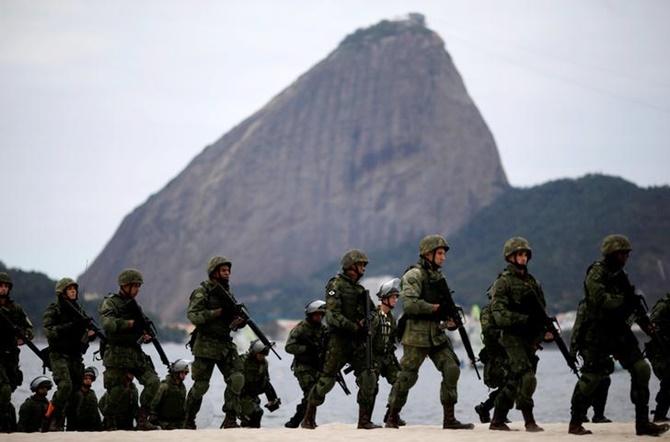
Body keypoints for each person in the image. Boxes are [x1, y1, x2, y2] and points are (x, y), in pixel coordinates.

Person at [568, 234, 669, 436]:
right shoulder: (596, 273)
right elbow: (600, 299)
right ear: (612, 254)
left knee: (641, 369)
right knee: (592, 378)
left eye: (626, 254)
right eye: (622, 254)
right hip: (597, 334)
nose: (625, 258)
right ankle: (575, 421)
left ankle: (642, 423)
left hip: (619, 333)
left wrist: (646, 325)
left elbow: (633, 306)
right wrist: (624, 302)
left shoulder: (621, 276)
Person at [386, 235, 473, 430]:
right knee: (407, 376)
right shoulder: (413, 275)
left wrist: (450, 320)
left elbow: (444, 308)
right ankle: (392, 415)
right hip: (416, 335)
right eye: (440, 253)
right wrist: (435, 309)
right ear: (428, 254)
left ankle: (449, 419)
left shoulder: (439, 278)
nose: (443, 257)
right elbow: (409, 305)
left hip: (437, 333)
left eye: (444, 253)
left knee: (452, 369)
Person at [301, 249, 380, 430]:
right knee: (326, 381)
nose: (363, 269)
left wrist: (369, 322)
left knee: (369, 376)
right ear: (350, 266)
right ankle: (308, 418)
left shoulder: (360, 290)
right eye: (360, 265)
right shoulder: (335, 285)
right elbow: (332, 316)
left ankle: (364, 420)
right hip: (339, 341)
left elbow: (374, 313)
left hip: (358, 342)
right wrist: (354, 326)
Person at [488, 237, 551, 432]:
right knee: (527, 376)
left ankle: (497, 420)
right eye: (519, 254)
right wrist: (524, 320)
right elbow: (499, 315)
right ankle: (529, 420)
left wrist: (543, 333)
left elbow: (541, 311)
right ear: (510, 257)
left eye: (525, 255)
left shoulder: (532, 282)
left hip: (529, 338)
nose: (523, 258)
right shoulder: (503, 282)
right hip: (511, 337)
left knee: (515, 379)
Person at [184, 256, 245, 429]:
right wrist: (217, 312)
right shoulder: (202, 292)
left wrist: (238, 320)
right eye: (223, 270)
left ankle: (230, 419)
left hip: (225, 344)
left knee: (237, 378)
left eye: (228, 270)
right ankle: (188, 419)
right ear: (214, 272)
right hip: (206, 345)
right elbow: (193, 315)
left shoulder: (228, 294)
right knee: (201, 386)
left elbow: (232, 322)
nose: (227, 274)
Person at [98, 268, 160, 431]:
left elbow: (142, 327)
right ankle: (109, 421)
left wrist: (144, 335)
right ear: (125, 286)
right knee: (117, 391)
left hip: (135, 353)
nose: (138, 290)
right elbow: (108, 324)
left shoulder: (134, 306)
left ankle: (142, 419)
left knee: (153, 382)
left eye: (139, 286)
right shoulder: (111, 302)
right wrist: (131, 324)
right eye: (135, 286)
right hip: (117, 354)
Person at [42, 277, 96, 431]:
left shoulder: (79, 311)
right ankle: (50, 418)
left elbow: (83, 336)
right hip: (59, 355)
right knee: (65, 386)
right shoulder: (54, 309)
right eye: (70, 289)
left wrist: (90, 335)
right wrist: (71, 325)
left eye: (74, 289)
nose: (73, 291)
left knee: (76, 393)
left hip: (75, 356)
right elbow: (49, 332)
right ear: (62, 292)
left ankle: (71, 426)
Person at [284, 299, 327, 428]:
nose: (318, 317)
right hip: (303, 367)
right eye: (316, 314)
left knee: (318, 395)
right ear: (310, 315)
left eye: (321, 314)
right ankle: (306, 421)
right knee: (311, 393)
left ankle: (300, 419)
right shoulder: (301, 329)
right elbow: (289, 347)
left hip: (317, 366)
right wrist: (306, 349)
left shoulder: (323, 329)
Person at [0, 271, 33, 433]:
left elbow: (29, 329)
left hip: (11, 356)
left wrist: (23, 337)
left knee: (10, 387)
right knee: (4, 388)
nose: (3, 289)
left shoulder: (15, 308)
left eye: (6, 286)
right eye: (0, 286)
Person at [571, 300, 612, 424]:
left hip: (603, 346)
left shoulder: (609, 303)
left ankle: (598, 415)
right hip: (589, 346)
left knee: (604, 378)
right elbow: (577, 328)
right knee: (590, 379)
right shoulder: (586, 305)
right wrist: (573, 351)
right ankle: (579, 413)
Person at [372, 278, 405, 426]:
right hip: (373, 357)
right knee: (371, 387)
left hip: (388, 357)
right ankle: (365, 420)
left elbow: (395, 338)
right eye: (393, 297)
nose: (395, 300)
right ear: (384, 298)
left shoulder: (391, 318)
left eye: (397, 297)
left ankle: (391, 415)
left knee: (401, 381)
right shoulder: (374, 316)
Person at [474, 292, 508, 424]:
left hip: (509, 351)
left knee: (511, 384)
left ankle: (488, 409)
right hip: (496, 353)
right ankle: (491, 410)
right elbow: (488, 332)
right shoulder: (488, 311)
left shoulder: (506, 310)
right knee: (508, 384)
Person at [239, 340, 281, 428]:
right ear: (254, 353)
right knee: (256, 413)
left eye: (264, 355)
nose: (262, 357)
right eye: (260, 354)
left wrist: (272, 399)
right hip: (240, 396)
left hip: (253, 396)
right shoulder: (243, 361)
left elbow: (265, 382)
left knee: (255, 416)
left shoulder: (264, 364)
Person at [646, 292, 670, 422]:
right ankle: (660, 414)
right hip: (659, 353)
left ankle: (660, 414)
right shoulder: (664, 305)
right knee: (668, 380)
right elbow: (651, 326)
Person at [150, 359, 190, 429]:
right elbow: (154, 405)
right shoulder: (165, 386)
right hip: (163, 421)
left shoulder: (182, 387)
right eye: (182, 373)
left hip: (177, 421)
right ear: (176, 373)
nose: (184, 375)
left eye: (185, 373)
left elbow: (183, 405)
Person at [69, 366, 102, 431]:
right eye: (86, 378)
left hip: (92, 429)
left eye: (90, 379)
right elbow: (71, 413)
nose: (88, 380)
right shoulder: (76, 394)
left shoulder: (92, 394)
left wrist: (99, 428)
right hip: (78, 429)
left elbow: (95, 412)